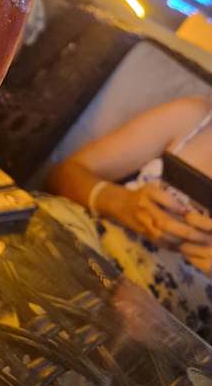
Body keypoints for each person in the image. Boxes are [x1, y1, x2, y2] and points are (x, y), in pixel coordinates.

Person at [45, 95, 212, 340]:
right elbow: (61, 176)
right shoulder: (193, 118)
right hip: (77, 256)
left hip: (157, 333)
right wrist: (120, 202)